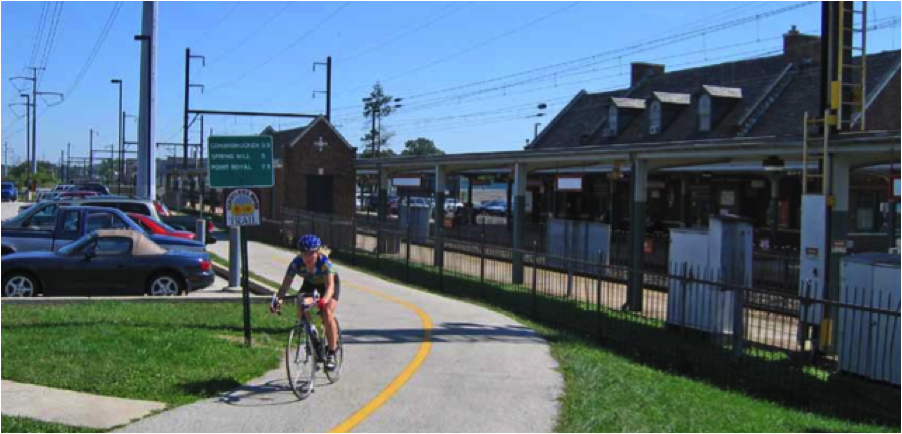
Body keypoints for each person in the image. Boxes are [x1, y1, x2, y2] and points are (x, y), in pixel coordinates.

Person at [270, 234, 341, 371]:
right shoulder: (296, 264)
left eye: (311, 254)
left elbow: (330, 287)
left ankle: (332, 352)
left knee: (327, 312)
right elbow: (284, 286)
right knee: (300, 301)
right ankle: (310, 331)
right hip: (310, 284)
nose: (307, 257)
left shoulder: (326, 265)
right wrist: (278, 301)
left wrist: (324, 301)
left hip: (328, 286)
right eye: (304, 253)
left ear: (317, 252)